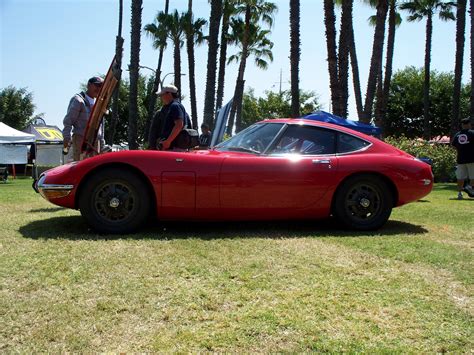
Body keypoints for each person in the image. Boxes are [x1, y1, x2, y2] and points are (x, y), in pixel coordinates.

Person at [62, 76, 105, 161]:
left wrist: (102, 143)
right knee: (80, 166)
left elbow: (101, 125)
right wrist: (66, 137)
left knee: (95, 168)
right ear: (88, 85)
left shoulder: (99, 103)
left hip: (96, 142)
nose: (99, 88)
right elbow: (68, 120)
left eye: (101, 86)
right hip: (81, 139)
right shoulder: (78, 100)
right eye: (97, 85)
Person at [148, 85, 186, 150]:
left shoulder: (175, 106)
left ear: (169, 94)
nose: (161, 97)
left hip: (174, 148)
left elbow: (179, 124)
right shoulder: (174, 106)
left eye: (162, 94)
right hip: (173, 147)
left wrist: (168, 141)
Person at [451, 117, 474, 199]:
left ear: (462, 125)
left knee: (460, 177)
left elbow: (453, 146)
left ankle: (460, 193)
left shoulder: (457, 134)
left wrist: (461, 150)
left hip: (460, 159)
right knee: (473, 176)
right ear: (469, 124)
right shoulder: (472, 133)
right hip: (472, 158)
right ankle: (470, 189)